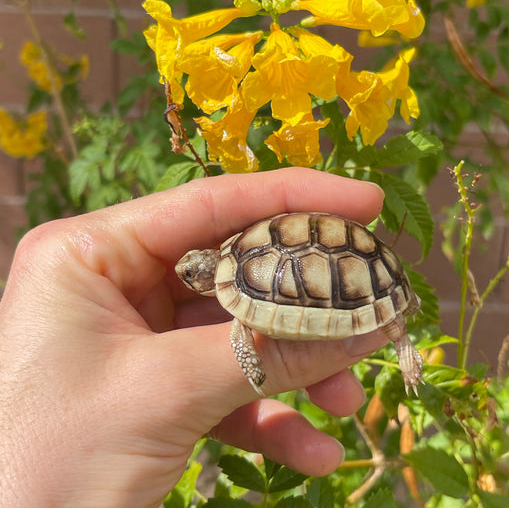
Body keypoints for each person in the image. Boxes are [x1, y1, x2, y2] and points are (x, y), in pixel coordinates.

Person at [0, 167, 388, 507]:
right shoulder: (237, 268)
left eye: (191, 275)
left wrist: (253, 357)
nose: (184, 277)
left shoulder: (236, 282)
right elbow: (242, 326)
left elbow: (242, 328)